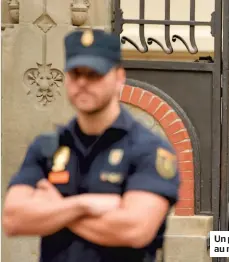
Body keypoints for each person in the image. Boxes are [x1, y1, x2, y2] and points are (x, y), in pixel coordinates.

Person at [2, 29, 181, 262]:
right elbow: (13, 219)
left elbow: (135, 230)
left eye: (94, 74)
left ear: (119, 77)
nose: (83, 83)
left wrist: (56, 209)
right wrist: (81, 205)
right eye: (75, 74)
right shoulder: (48, 147)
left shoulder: (149, 150)